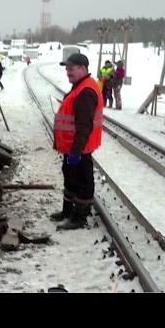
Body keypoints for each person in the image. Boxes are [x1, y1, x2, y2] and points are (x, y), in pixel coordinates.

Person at [50, 53, 104, 230]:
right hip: (72, 148)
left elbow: (84, 126)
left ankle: (79, 217)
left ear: (83, 68)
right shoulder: (79, 87)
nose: (68, 72)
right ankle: (68, 212)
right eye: (67, 69)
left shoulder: (85, 92)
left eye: (71, 69)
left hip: (79, 149)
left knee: (82, 181)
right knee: (71, 178)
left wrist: (76, 151)